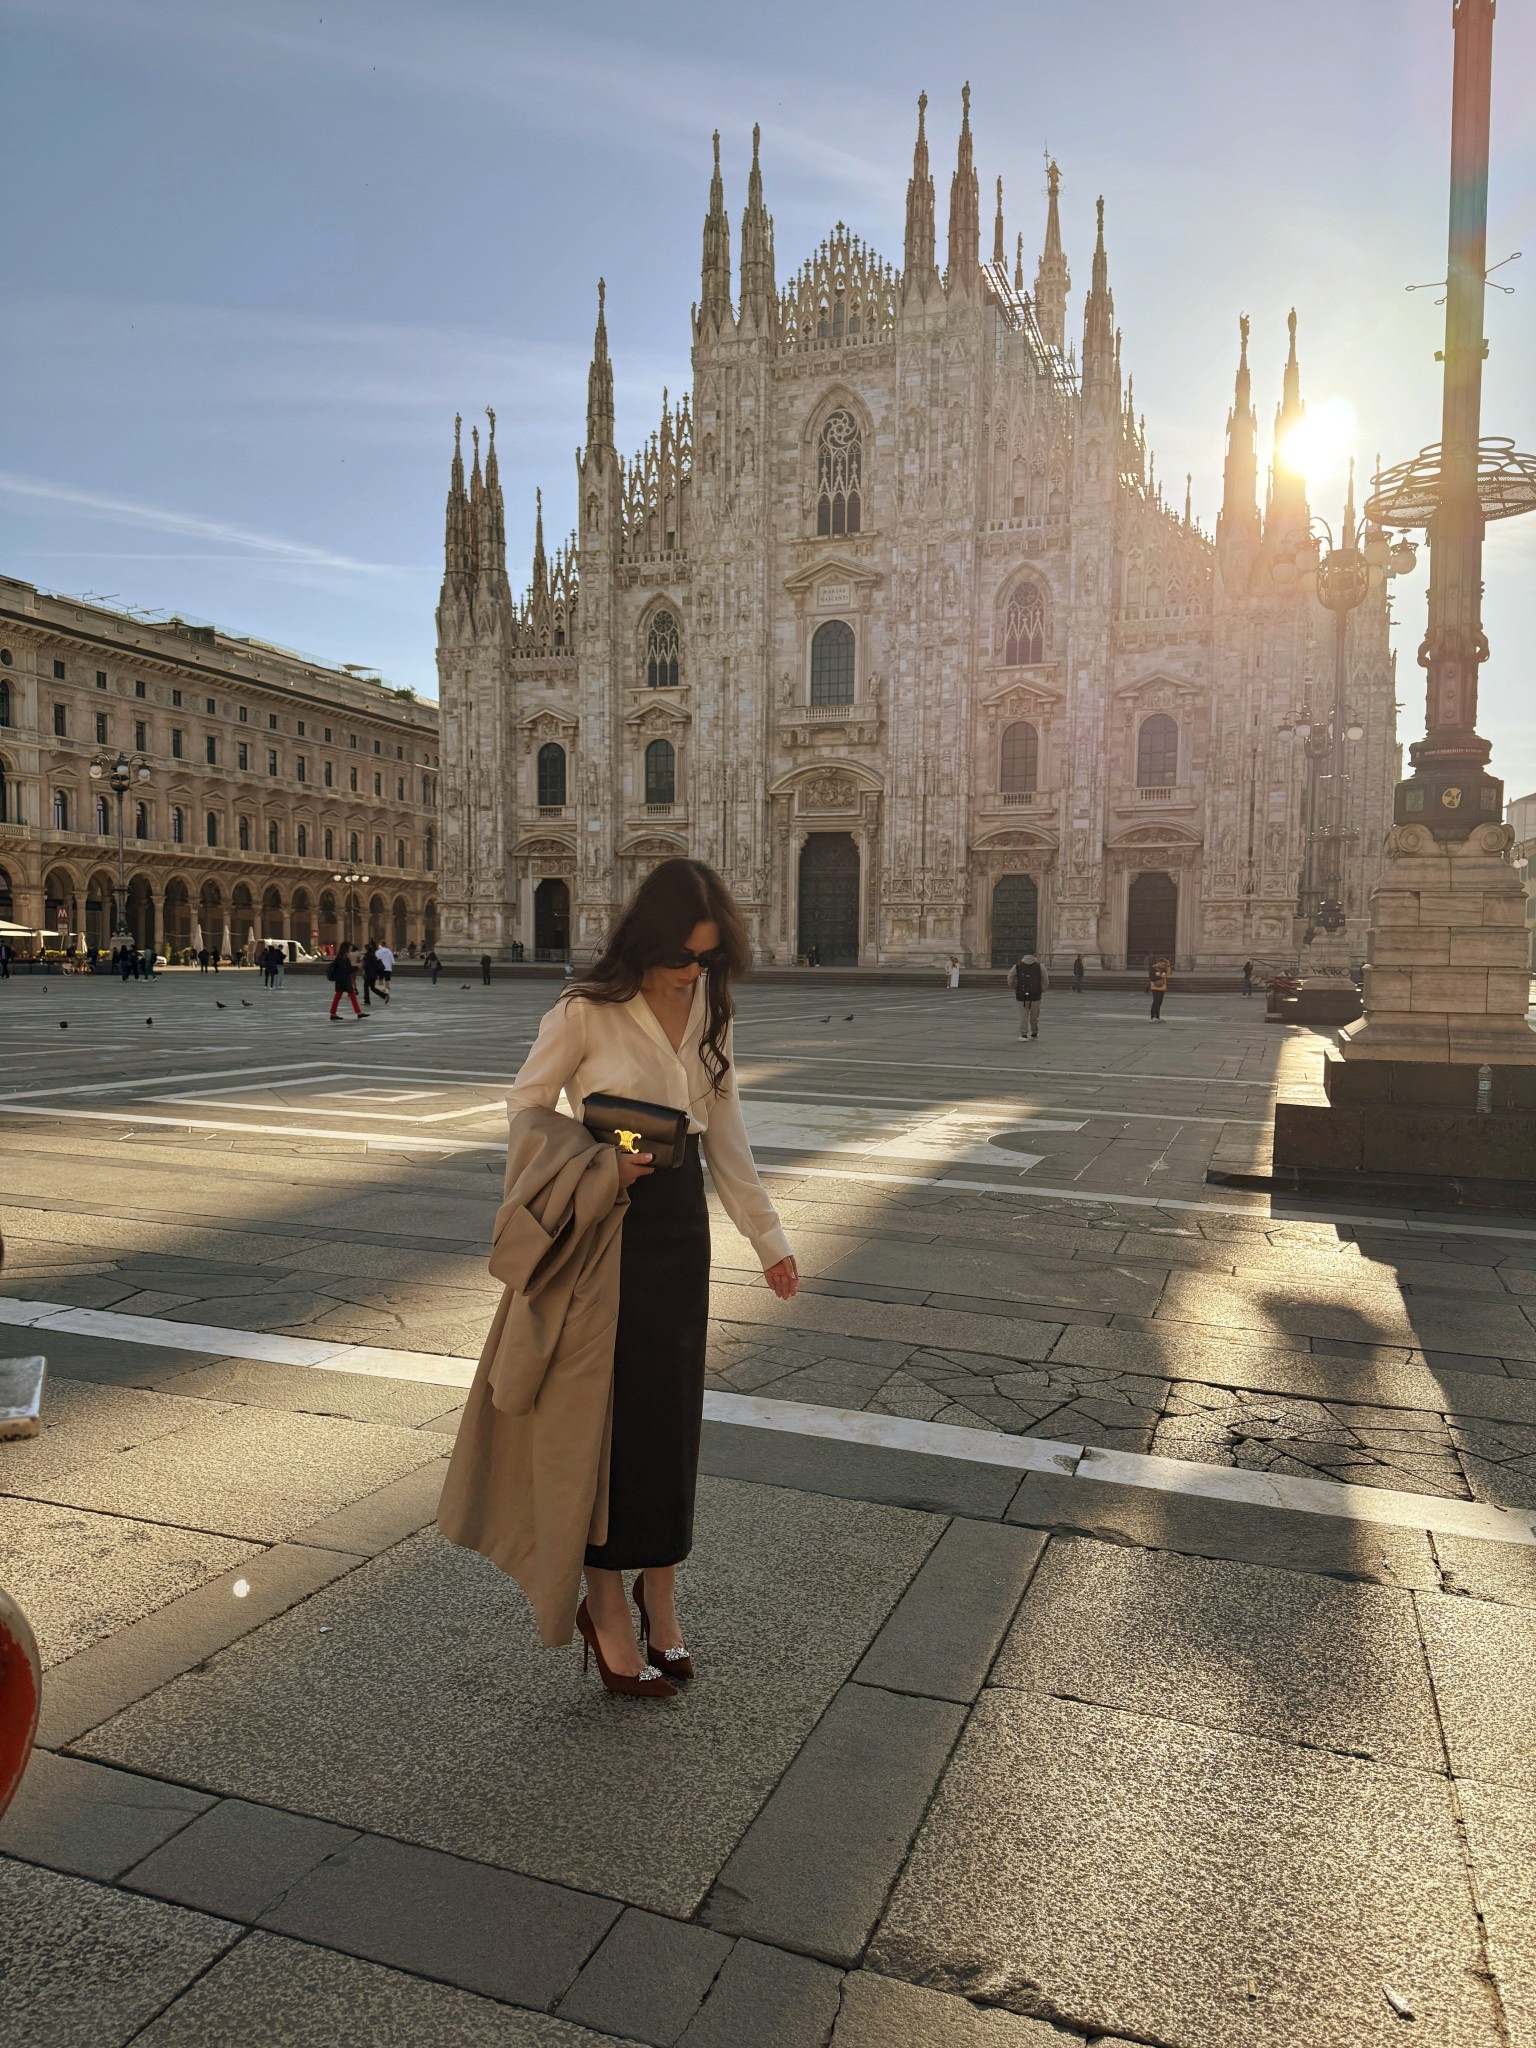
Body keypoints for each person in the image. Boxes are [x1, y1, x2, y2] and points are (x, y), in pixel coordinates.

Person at [440, 858, 798, 1699]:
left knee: (669, 1418)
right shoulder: (584, 1011)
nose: (693, 972)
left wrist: (767, 1237)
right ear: (648, 941)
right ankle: (605, 1608)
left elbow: (726, 1127)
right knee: (602, 1421)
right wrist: (601, 1161)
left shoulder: (710, 1004)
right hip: (605, 1231)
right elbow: (526, 1110)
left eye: (708, 959)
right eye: (683, 957)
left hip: (679, 1227)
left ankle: (660, 1597)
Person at [1007, 951, 1047, 1037]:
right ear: (1034, 955)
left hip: (1022, 995)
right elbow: (1045, 980)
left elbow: (1010, 978)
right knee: (1035, 1015)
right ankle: (1034, 1032)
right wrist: (1042, 989)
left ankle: (1024, 1034)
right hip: (1036, 995)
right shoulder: (1040, 966)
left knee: (1023, 1015)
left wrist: (1014, 987)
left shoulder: (1017, 966)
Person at [328, 942, 367, 1021]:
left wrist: (355, 967)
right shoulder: (343, 958)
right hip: (344, 980)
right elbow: (347, 970)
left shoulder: (341, 957)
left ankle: (333, 1013)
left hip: (340, 980)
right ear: (346, 948)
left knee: (339, 996)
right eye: (350, 947)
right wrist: (357, 967)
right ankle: (358, 1013)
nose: (351, 948)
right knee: (351, 995)